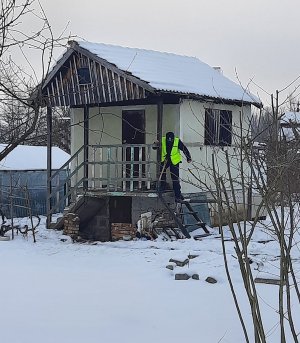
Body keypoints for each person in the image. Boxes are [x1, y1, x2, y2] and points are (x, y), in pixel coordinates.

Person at [157, 131, 192, 201]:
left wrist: (188, 157)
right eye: (168, 140)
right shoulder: (163, 140)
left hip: (174, 161)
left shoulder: (177, 141)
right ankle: (163, 186)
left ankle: (178, 195)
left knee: (175, 178)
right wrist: (156, 143)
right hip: (165, 159)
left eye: (171, 140)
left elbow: (184, 149)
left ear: (173, 138)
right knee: (162, 172)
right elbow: (156, 146)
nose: (169, 141)